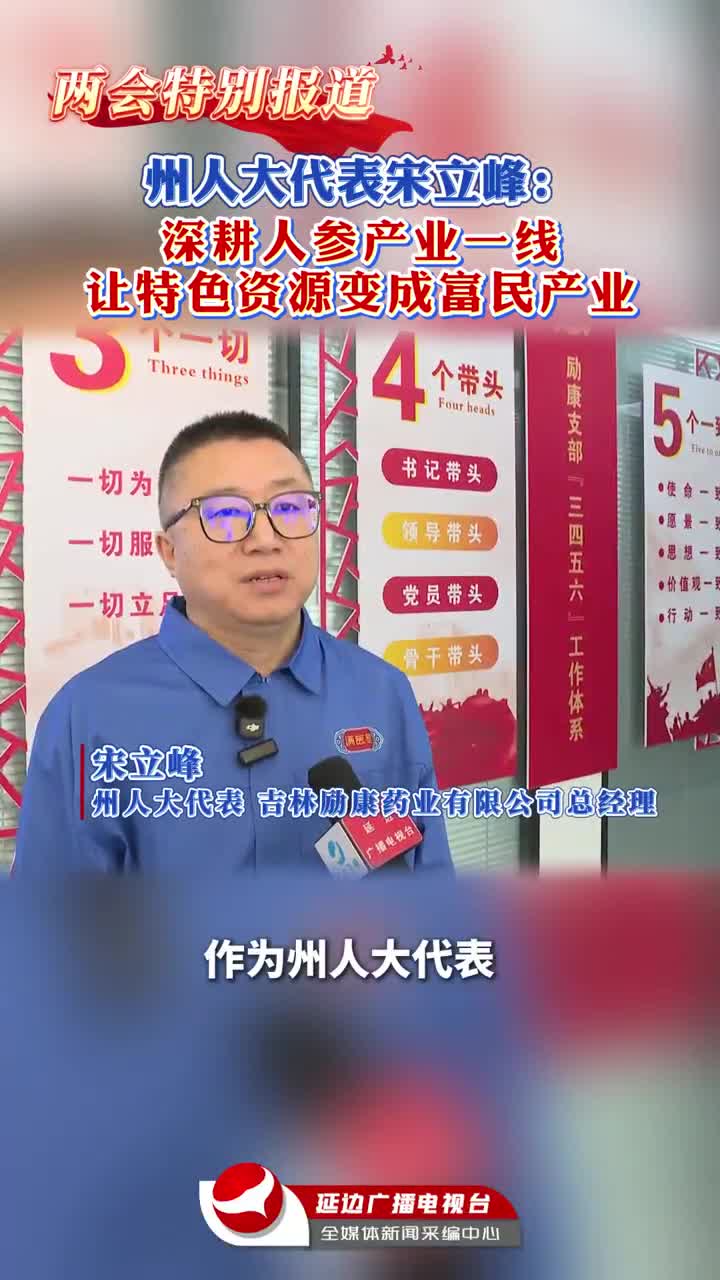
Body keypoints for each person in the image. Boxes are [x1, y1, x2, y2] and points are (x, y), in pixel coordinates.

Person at [14, 411, 453, 874]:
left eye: (290, 508)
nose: (266, 539)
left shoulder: (381, 691)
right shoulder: (89, 717)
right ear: (168, 552)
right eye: (225, 514)